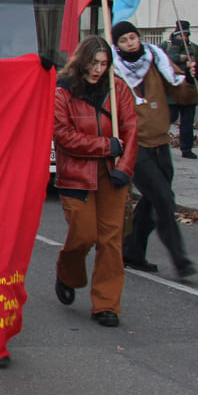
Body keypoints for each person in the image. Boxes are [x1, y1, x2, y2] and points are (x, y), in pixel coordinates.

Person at [53, 36, 138, 328]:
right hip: (76, 174)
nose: (98, 69)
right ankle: (68, 273)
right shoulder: (63, 91)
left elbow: (131, 129)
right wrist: (104, 146)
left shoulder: (117, 88)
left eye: (103, 63)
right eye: (93, 63)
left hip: (112, 174)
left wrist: (125, 167)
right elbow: (63, 135)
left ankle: (106, 304)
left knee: (111, 240)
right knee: (84, 234)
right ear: (82, 62)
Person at [111, 21, 198, 279]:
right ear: (117, 45)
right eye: (124, 40)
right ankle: (180, 260)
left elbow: (183, 95)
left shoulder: (156, 59)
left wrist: (190, 79)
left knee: (152, 199)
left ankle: (132, 250)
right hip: (134, 146)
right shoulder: (113, 70)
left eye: (133, 37)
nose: (130, 43)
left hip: (160, 142)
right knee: (163, 198)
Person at [165, 20, 198, 159]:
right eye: (181, 35)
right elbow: (160, 60)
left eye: (186, 35)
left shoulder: (194, 48)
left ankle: (187, 148)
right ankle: (160, 145)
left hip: (189, 90)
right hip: (171, 92)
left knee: (187, 124)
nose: (184, 38)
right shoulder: (166, 47)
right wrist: (179, 58)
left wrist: (194, 60)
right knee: (167, 120)